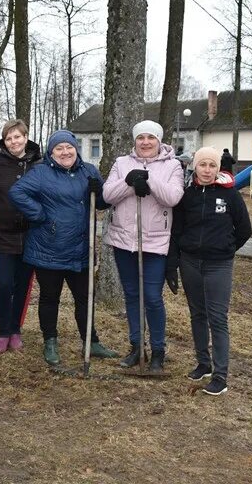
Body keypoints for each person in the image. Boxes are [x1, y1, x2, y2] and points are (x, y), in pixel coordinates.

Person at [9, 129, 118, 366]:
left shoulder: (89, 170)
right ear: (51, 152)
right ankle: (50, 341)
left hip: (81, 248)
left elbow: (102, 202)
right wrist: (38, 214)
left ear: (75, 148)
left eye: (69, 147)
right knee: (50, 298)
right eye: (59, 148)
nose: (65, 152)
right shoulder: (40, 172)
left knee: (84, 297)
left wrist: (98, 191)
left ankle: (92, 341)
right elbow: (17, 192)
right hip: (49, 247)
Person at [166, 146, 252, 395]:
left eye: (212, 165)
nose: (207, 170)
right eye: (202, 165)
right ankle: (203, 363)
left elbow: (244, 229)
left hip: (219, 264)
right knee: (197, 314)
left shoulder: (230, 195)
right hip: (190, 262)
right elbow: (176, 231)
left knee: (218, 317)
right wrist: (174, 263)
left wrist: (226, 249)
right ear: (195, 166)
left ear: (218, 168)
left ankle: (220, 375)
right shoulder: (187, 195)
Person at [102, 120, 184, 372]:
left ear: (159, 141)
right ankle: (137, 346)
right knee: (132, 295)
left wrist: (148, 180)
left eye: (151, 138)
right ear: (134, 141)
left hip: (155, 242)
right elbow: (107, 195)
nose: (145, 142)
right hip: (124, 240)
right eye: (141, 138)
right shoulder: (121, 163)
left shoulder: (173, 165)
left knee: (152, 297)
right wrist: (129, 182)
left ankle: (158, 350)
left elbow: (173, 197)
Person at [0, 119, 42, 354]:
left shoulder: (40, 164)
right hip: (2, 235)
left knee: (22, 285)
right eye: (9, 138)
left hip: (30, 235)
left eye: (17, 136)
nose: (13, 142)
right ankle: (2, 331)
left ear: (26, 137)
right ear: (4, 141)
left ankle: (16, 329)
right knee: (4, 284)